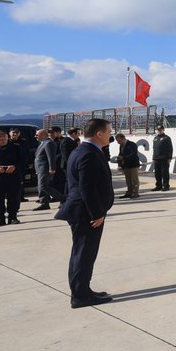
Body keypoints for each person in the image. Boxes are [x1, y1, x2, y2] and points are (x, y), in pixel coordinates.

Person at [56, 118, 115, 308]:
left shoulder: (83, 150)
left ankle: (83, 289)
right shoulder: (88, 153)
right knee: (84, 254)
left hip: (83, 211)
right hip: (87, 214)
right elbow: (86, 187)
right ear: (99, 133)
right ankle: (80, 295)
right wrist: (97, 213)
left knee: (82, 253)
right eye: (108, 131)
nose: (110, 134)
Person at [32, 128, 62, 210]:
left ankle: (63, 198)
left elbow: (51, 157)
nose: (35, 136)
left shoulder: (49, 143)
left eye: (37, 135)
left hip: (44, 168)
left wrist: (52, 168)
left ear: (43, 135)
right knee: (40, 186)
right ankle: (44, 203)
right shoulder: (43, 143)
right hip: (40, 168)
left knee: (44, 186)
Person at [114, 133, 141, 199]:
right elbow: (121, 153)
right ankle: (129, 192)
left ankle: (135, 192)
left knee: (134, 179)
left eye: (119, 141)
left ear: (123, 138)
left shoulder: (132, 144)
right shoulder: (121, 146)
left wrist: (123, 157)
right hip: (126, 165)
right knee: (128, 180)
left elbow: (133, 154)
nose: (118, 143)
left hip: (133, 164)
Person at [8, 127, 30, 202]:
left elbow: (27, 153)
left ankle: (20, 197)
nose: (15, 134)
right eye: (13, 132)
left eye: (17, 132)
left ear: (19, 133)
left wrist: (29, 162)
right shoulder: (7, 142)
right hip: (9, 166)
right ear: (9, 133)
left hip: (20, 165)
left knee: (21, 182)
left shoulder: (23, 142)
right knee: (10, 183)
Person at [59, 128, 79, 199]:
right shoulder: (66, 141)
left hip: (69, 164)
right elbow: (66, 155)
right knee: (68, 182)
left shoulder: (72, 141)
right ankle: (65, 198)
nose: (78, 135)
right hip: (67, 165)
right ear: (74, 134)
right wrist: (70, 165)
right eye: (78, 133)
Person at [152, 124, 173, 191]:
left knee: (165, 173)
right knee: (157, 173)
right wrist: (153, 158)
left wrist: (169, 158)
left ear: (163, 130)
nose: (159, 131)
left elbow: (170, 148)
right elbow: (154, 149)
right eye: (158, 130)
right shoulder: (155, 138)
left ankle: (166, 186)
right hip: (156, 159)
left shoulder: (167, 138)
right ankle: (159, 185)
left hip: (164, 158)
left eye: (160, 130)